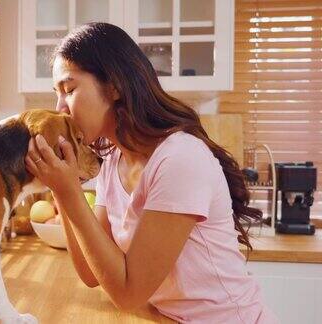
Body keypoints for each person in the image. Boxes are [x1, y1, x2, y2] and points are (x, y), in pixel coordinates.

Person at [25, 22, 278, 324]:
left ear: (114, 86)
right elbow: (92, 275)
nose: (60, 108)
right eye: (57, 94)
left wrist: (68, 191)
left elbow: (129, 294)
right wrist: (60, 186)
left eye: (69, 89)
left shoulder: (179, 159)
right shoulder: (113, 163)